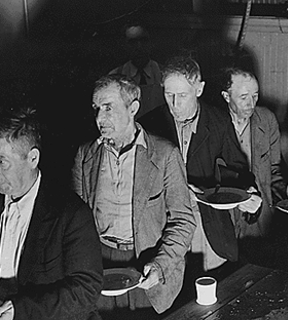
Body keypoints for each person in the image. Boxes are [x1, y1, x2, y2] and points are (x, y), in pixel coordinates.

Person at [71, 74, 196, 314]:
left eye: (109, 108)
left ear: (133, 108)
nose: (99, 118)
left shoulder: (164, 155)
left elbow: (183, 221)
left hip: (147, 264)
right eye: (96, 108)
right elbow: (75, 225)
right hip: (100, 265)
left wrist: (161, 265)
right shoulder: (85, 155)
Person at [139, 55, 262, 273]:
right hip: (163, 225)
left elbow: (240, 167)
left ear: (199, 89)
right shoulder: (149, 124)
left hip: (205, 224)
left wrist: (250, 193)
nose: (175, 104)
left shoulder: (218, 121)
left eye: (183, 95)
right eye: (169, 94)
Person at [0, 109, 103, 320]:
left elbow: (86, 290)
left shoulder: (71, 213)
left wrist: (21, 310)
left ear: (33, 158)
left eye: (1, 162)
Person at [220, 67, 287, 238]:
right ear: (226, 97)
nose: (251, 104)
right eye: (243, 97)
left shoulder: (267, 120)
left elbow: (275, 170)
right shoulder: (214, 124)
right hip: (226, 219)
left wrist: (284, 204)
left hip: (261, 221)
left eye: (255, 96)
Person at [109, 23, 164, 119]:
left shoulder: (164, 74)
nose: (139, 47)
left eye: (143, 41)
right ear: (125, 45)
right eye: (133, 42)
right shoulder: (114, 77)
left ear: (151, 43)